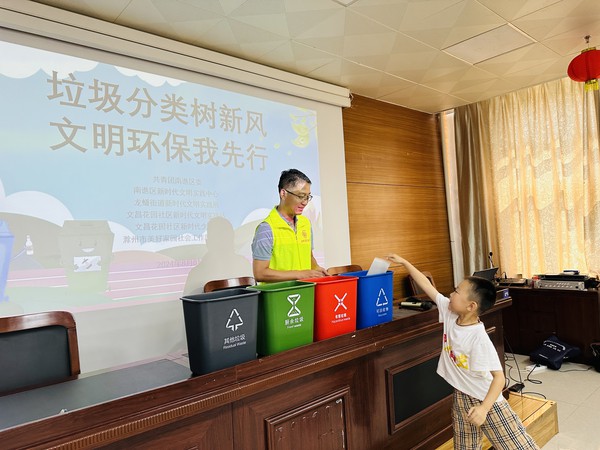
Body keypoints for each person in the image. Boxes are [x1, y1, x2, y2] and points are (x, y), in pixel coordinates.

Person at [387, 254, 539, 450]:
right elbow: (426, 285)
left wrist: (484, 409)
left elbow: (499, 378)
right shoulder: (450, 313)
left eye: (457, 291)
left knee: (519, 447)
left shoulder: (478, 338)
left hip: (487, 399)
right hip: (461, 394)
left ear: (471, 306)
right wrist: (405, 262)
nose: (451, 294)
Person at [252, 169, 327, 282]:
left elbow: (309, 257)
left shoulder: (305, 223)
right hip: (280, 292)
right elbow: (260, 273)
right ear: (283, 194)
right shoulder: (266, 229)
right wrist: (300, 275)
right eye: (301, 196)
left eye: (308, 197)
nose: (305, 202)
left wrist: (316, 269)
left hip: (305, 290)